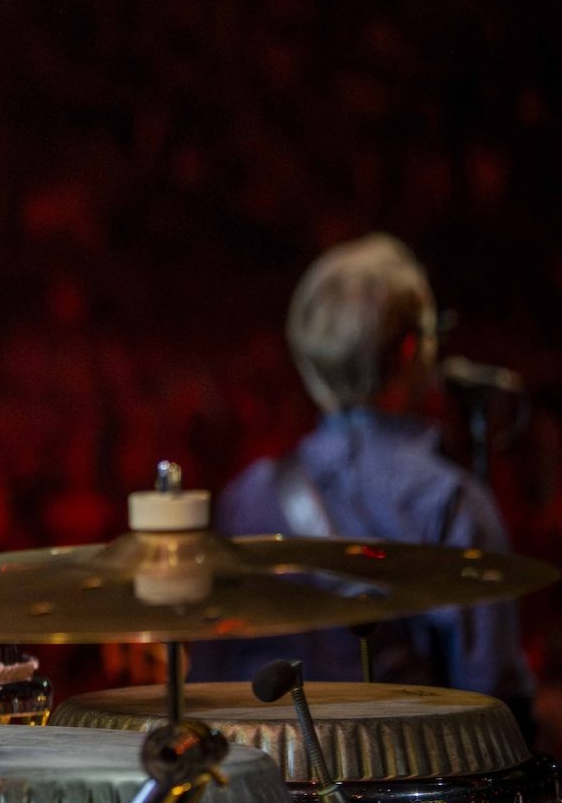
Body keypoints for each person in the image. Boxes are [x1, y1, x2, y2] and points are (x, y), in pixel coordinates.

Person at [188, 234, 535, 730]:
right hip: (401, 786)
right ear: (413, 348)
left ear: (307, 362)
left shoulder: (247, 495)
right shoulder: (449, 501)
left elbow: (210, 673)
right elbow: (496, 704)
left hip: (265, 790)